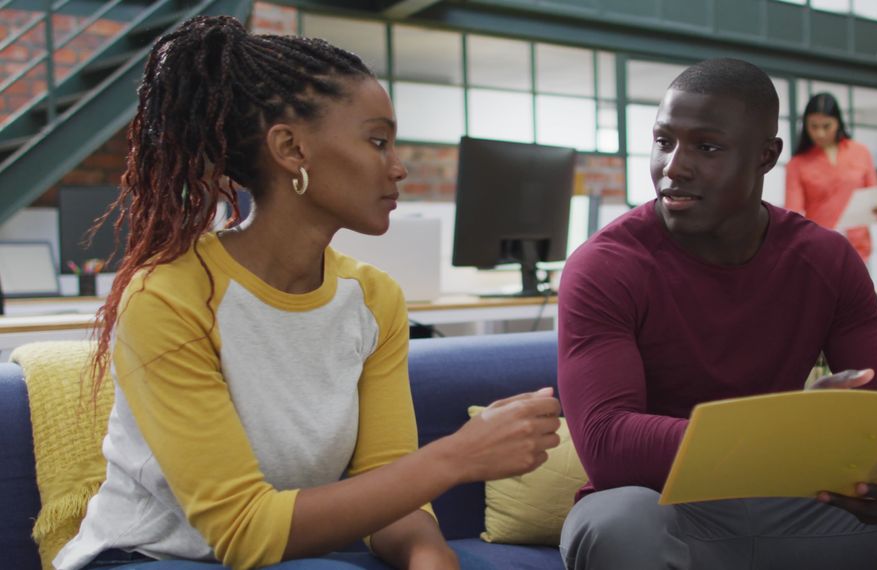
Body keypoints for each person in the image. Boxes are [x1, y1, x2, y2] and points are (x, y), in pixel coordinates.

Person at [55, 16, 562, 570]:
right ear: (292, 149)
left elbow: (388, 485)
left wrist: (427, 554)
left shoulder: (374, 299)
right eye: (377, 141)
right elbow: (244, 532)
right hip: (145, 557)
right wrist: (457, 457)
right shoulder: (168, 297)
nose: (399, 167)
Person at [557, 58, 877, 570]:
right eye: (663, 141)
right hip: (667, 512)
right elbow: (607, 441)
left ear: (766, 156)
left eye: (707, 146)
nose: (674, 166)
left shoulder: (826, 259)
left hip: (797, 504)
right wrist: (785, 435)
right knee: (616, 526)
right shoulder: (605, 266)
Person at [784, 92, 877, 263]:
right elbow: (792, 214)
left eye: (826, 126)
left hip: (859, 250)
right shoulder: (797, 164)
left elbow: (875, 200)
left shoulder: (861, 153)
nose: (820, 133)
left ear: (838, 123)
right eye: (813, 126)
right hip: (818, 251)